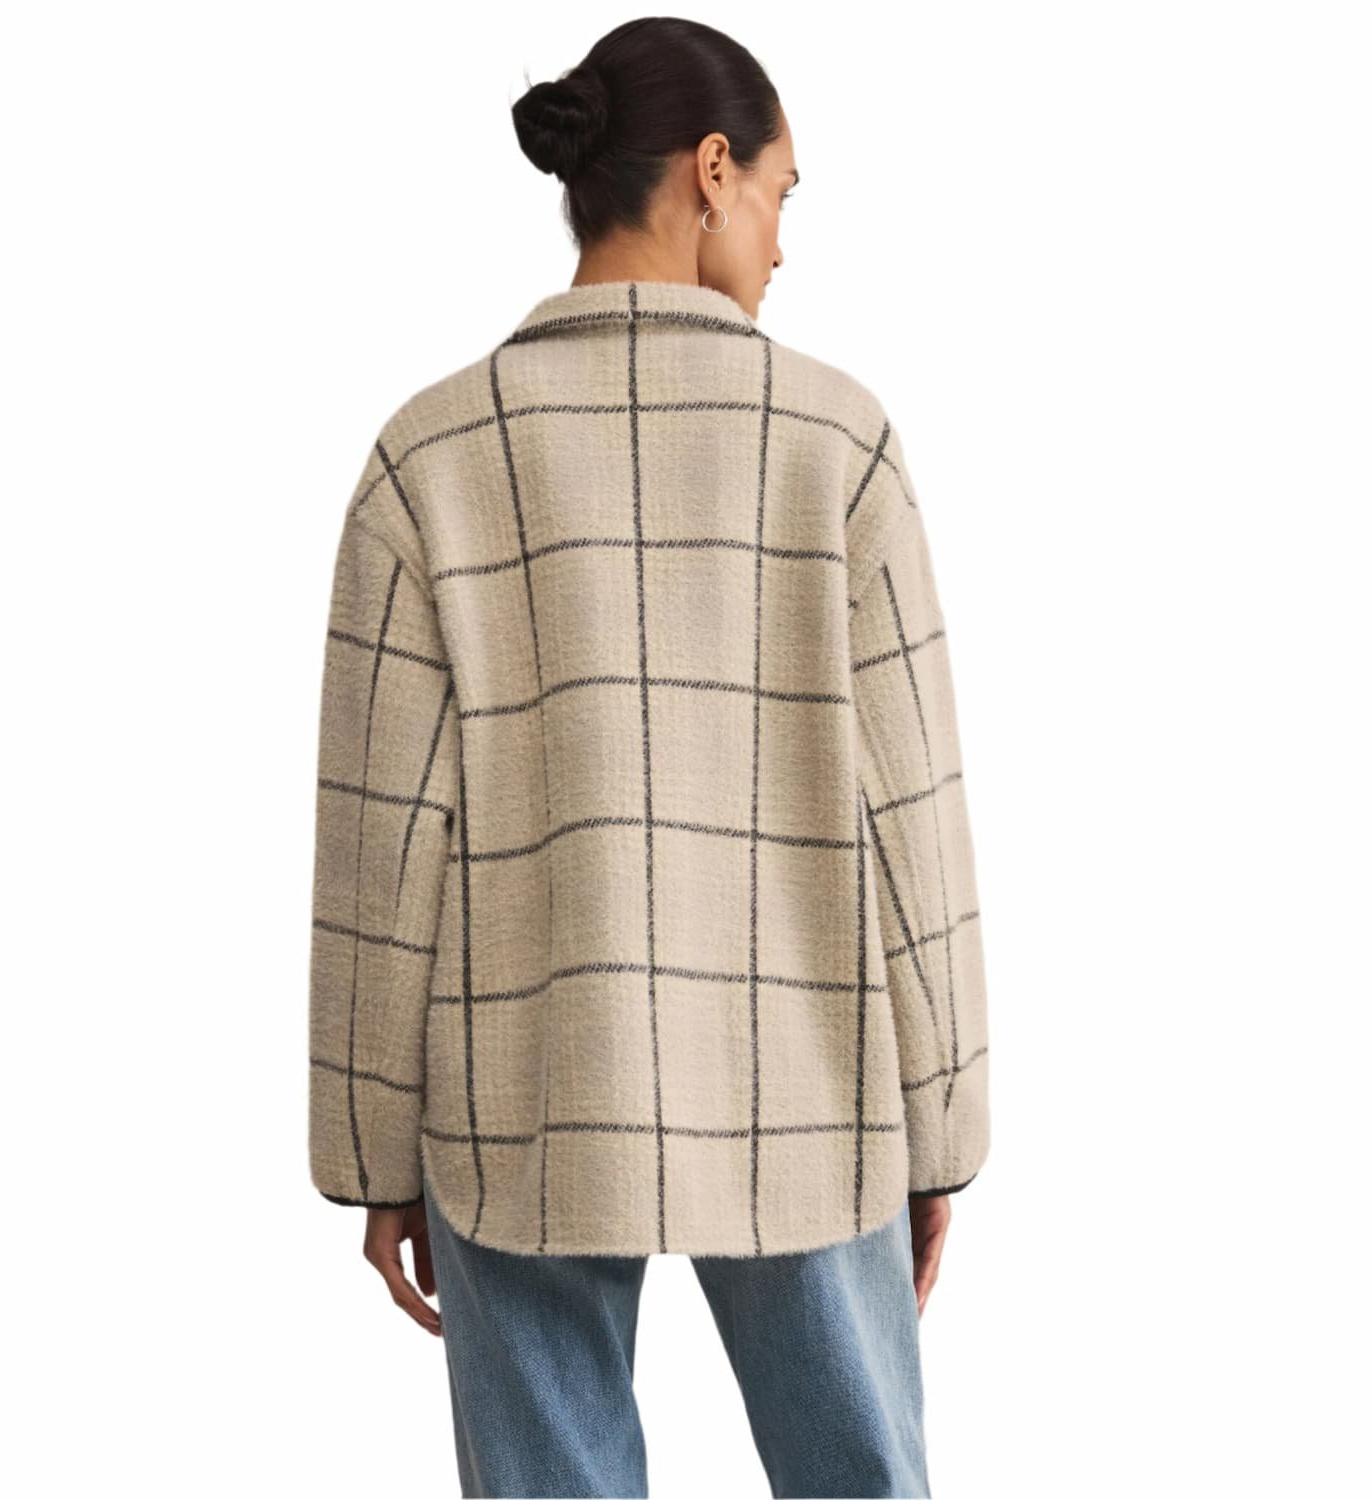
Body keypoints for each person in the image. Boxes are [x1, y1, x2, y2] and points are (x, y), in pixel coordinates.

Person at [306, 17, 991, 1498]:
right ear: (712, 169)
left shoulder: (431, 458)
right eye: (783, 196)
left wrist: (371, 1153)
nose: (785, 242)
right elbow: (916, 821)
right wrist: (942, 1129)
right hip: (810, 1084)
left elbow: (379, 846)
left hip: (520, 1096)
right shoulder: (838, 445)